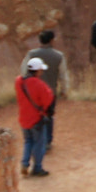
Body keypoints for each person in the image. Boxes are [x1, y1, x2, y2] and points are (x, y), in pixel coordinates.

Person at [16, 57, 55, 177]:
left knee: (28, 141)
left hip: (23, 118)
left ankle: (24, 163)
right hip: (36, 119)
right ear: (37, 71)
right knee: (39, 143)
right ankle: (37, 168)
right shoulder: (39, 84)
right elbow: (48, 98)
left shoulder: (19, 81)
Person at [29, 29, 64, 158]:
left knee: (34, 115)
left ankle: (35, 139)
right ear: (51, 40)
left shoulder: (31, 54)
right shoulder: (59, 55)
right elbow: (63, 74)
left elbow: (23, 71)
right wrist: (64, 90)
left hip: (33, 92)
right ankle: (47, 140)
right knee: (48, 115)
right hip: (50, 92)